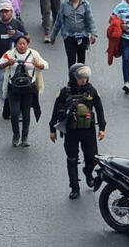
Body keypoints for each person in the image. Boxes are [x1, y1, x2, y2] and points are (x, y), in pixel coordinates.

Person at [48, 63, 106, 199]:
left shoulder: (91, 90)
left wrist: (102, 128)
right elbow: (55, 111)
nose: (83, 80)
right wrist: (52, 129)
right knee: (72, 159)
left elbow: (99, 109)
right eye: (80, 78)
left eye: (85, 78)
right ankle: (74, 187)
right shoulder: (64, 92)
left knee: (92, 158)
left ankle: (88, 172)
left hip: (88, 130)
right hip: (71, 131)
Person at [0, 34, 47, 147]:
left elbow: (46, 65)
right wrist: (7, 63)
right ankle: (16, 135)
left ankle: (25, 137)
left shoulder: (34, 54)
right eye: (20, 43)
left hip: (29, 89)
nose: (22, 46)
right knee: (14, 113)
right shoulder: (10, 54)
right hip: (13, 88)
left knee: (26, 113)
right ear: (16, 44)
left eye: (24, 43)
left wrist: (38, 64)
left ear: (28, 44)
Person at [50, 0, 96, 68]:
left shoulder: (85, 5)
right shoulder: (64, 5)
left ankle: (81, 79)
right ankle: (72, 80)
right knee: (71, 60)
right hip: (69, 36)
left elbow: (90, 19)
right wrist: (53, 36)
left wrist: (93, 34)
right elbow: (58, 21)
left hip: (82, 36)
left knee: (81, 61)